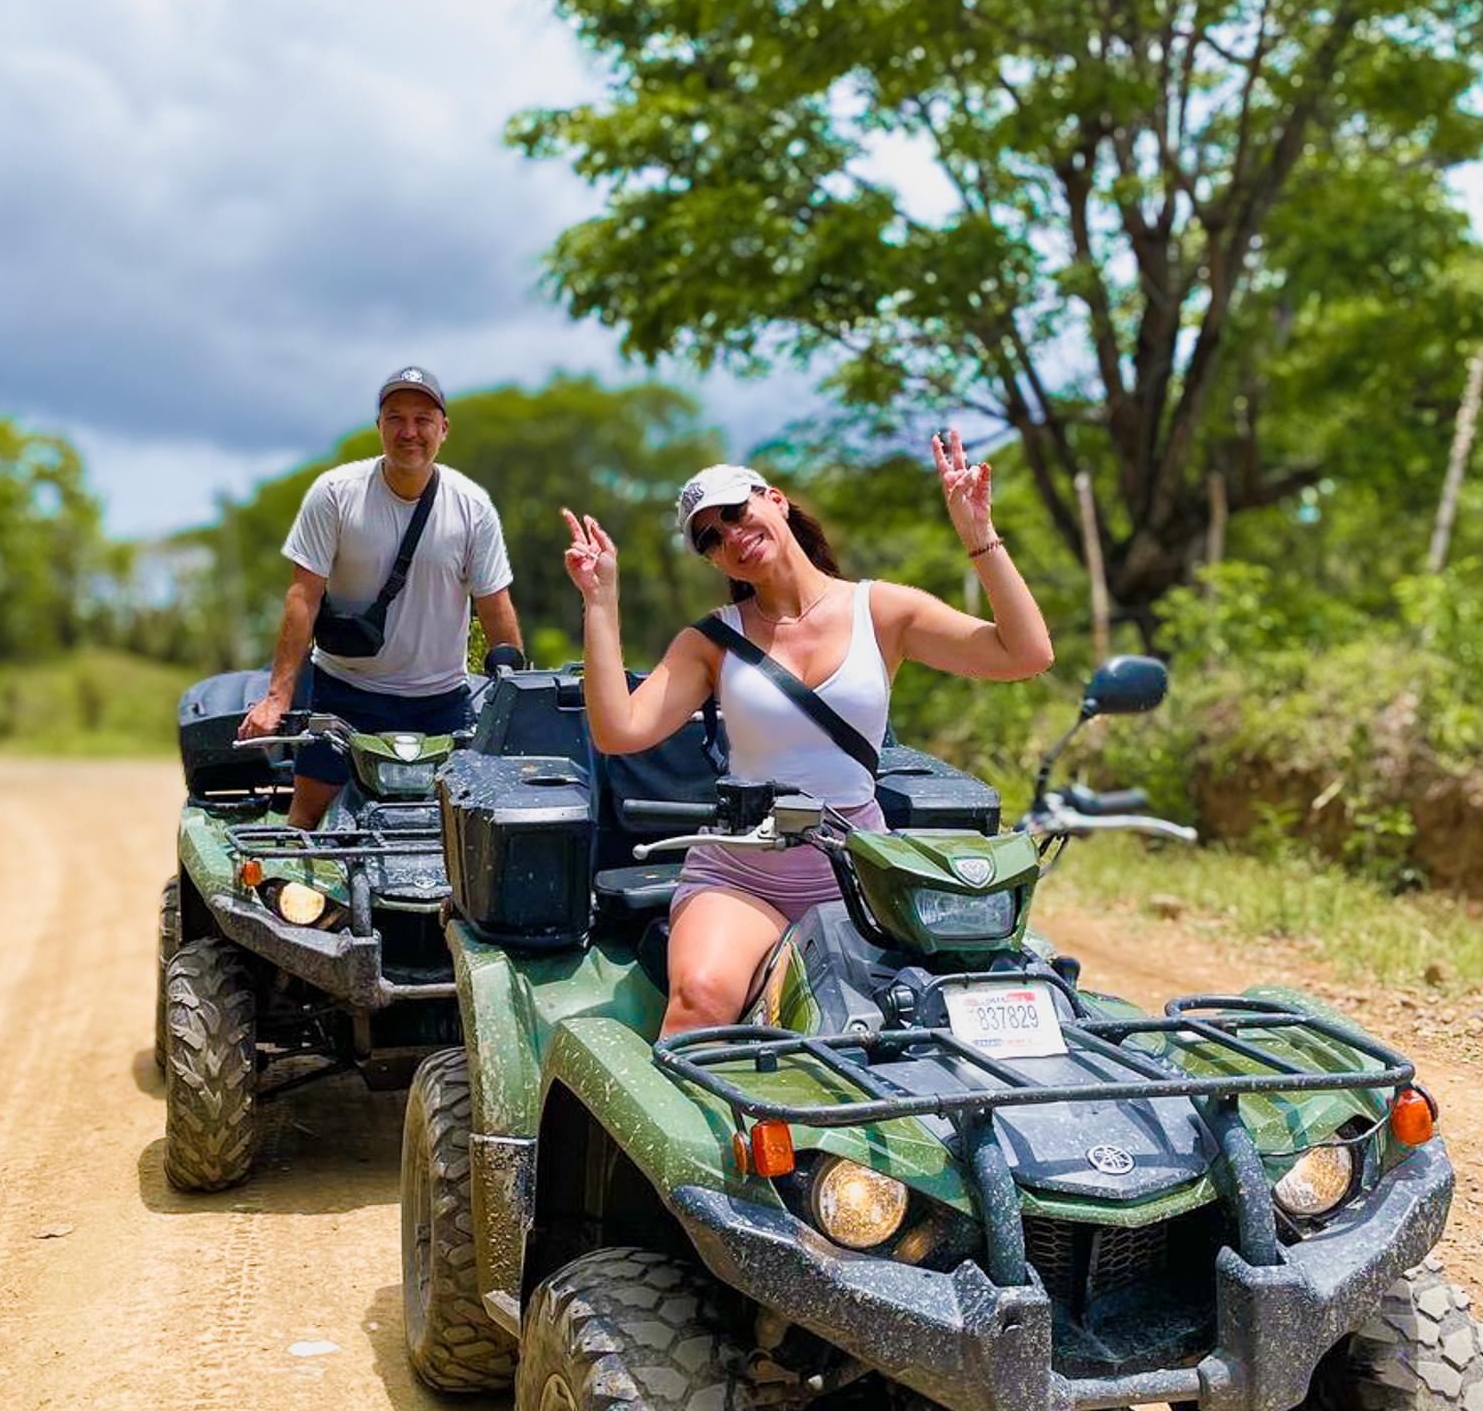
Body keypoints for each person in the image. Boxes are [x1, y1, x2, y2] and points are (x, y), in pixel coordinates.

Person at [562, 431, 1053, 1031]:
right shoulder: (712, 641)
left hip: (857, 869)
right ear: (713, 560)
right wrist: (600, 600)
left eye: (736, 513)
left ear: (775, 499)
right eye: (710, 538)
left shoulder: (882, 610)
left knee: (916, 1019)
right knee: (701, 999)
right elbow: (618, 731)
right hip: (742, 872)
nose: (731, 536)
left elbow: (1026, 654)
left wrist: (979, 536)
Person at [239, 365, 522, 828]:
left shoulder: (472, 507)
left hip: (440, 699)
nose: (409, 432)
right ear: (379, 428)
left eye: (422, 420)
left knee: (460, 831)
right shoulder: (335, 495)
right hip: (347, 691)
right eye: (395, 419)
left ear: (443, 430)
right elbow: (302, 596)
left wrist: (516, 698)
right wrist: (277, 698)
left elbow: (495, 607)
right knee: (310, 814)